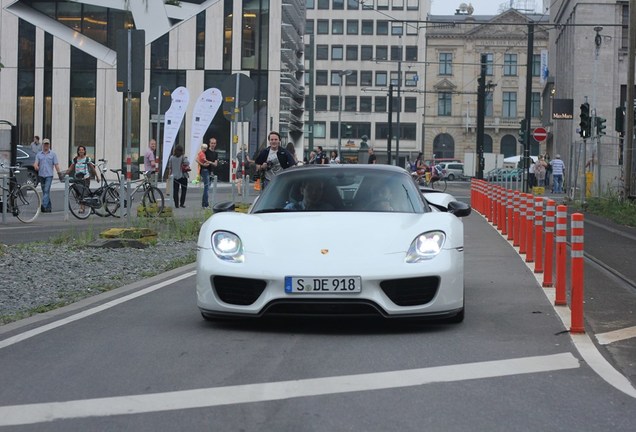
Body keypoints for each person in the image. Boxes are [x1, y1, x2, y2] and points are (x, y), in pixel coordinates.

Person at [65, 146, 99, 214]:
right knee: (79, 194)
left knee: (84, 194)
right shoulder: (75, 160)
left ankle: (82, 208)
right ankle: (88, 207)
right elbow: (70, 168)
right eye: (79, 150)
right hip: (78, 178)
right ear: (77, 151)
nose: (81, 151)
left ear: (84, 151)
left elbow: (92, 168)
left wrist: (97, 176)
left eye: (82, 150)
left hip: (86, 178)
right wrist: (65, 174)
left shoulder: (87, 159)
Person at [33, 138, 62, 213]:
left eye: (47, 144)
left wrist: (59, 174)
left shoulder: (53, 154)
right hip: (41, 175)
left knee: (46, 190)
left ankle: (43, 205)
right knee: (45, 191)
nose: (46, 145)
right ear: (42, 145)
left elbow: (56, 164)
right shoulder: (39, 154)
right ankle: (49, 208)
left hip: (49, 175)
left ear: (49, 145)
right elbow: (36, 163)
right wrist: (36, 166)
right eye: (45, 144)